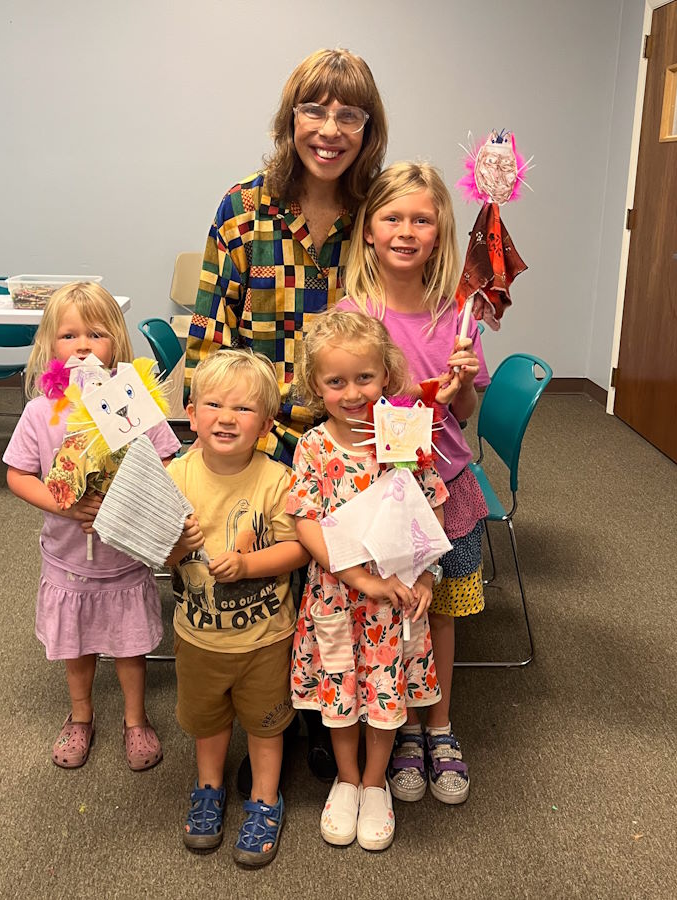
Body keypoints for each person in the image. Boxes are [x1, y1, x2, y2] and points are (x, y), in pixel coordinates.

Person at [184, 46, 389, 782]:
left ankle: (320, 716)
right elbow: (209, 340)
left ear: (368, 128)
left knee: (336, 587)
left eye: (348, 114)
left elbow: (402, 323)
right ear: (289, 118)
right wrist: (236, 440)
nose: (329, 129)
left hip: (349, 436)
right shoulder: (242, 208)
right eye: (314, 109)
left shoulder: (375, 214)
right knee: (262, 582)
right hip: (261, 439)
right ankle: (264, 720)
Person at [339, 161, 491, 805]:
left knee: (441, 613)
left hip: (448, 488)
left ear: (439, 232)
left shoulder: (458, 319)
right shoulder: (355, 315)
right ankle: (395, 722)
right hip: (379, 495)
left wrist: (457, 392)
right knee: (389, 611)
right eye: (392, 218)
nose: (406, 230)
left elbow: (465, 417)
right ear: (369, 231)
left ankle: (441, 725)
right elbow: (342, 405)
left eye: (421, 220)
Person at [286, 311, 447, 851]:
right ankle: (347, 778)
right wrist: (356, 576)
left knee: (384, 690)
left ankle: (376, 782)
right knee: (341, 689)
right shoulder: (312, 446)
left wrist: (424, 574)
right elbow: (304, 519)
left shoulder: (404, 439)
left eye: (365, 378)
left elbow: (432, 507)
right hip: (337, 597)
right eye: (336, 381)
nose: (352, 392)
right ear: (316, 386)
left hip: (394, 600)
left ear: (386, 375)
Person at [3, 282, 180, 771]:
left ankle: (135, 719)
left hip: (123, 554)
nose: (83, 345)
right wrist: (60, 503)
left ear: (116, 346)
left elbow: (169, 460)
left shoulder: (133, 404)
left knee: (129, 644)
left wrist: (135, 493)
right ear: (49, 346)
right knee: (75, 644)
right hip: (67, 558)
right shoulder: (43, 411)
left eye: (97, 334)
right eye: (69, 336)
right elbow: (17, 474)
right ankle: (80, 716)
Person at [165, 349, 309, 867]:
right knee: (208, 722)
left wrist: (249, 567)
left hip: (265, 638)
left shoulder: (276, 480)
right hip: (198, 636)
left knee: (267, 726)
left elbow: (299, 549)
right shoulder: (175, 477)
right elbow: (157, 555)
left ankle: (265, 799)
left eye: (244, 410)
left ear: (267, 425)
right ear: (191, 412)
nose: (226, 418)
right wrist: (178, 547)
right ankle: (209, 788)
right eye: (214, 404)